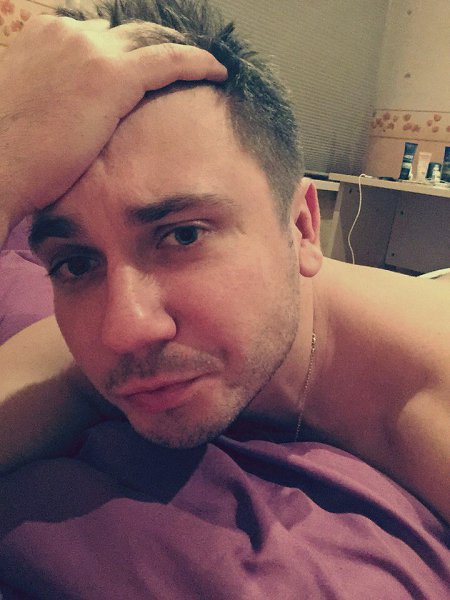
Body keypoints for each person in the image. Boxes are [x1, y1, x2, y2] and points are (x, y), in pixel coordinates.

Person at [0, 0, 449, 597]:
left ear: (303, 228)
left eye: (183, 236)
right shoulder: (111, 346)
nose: (125, 329)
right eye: (76, 263)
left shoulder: (430, 400)